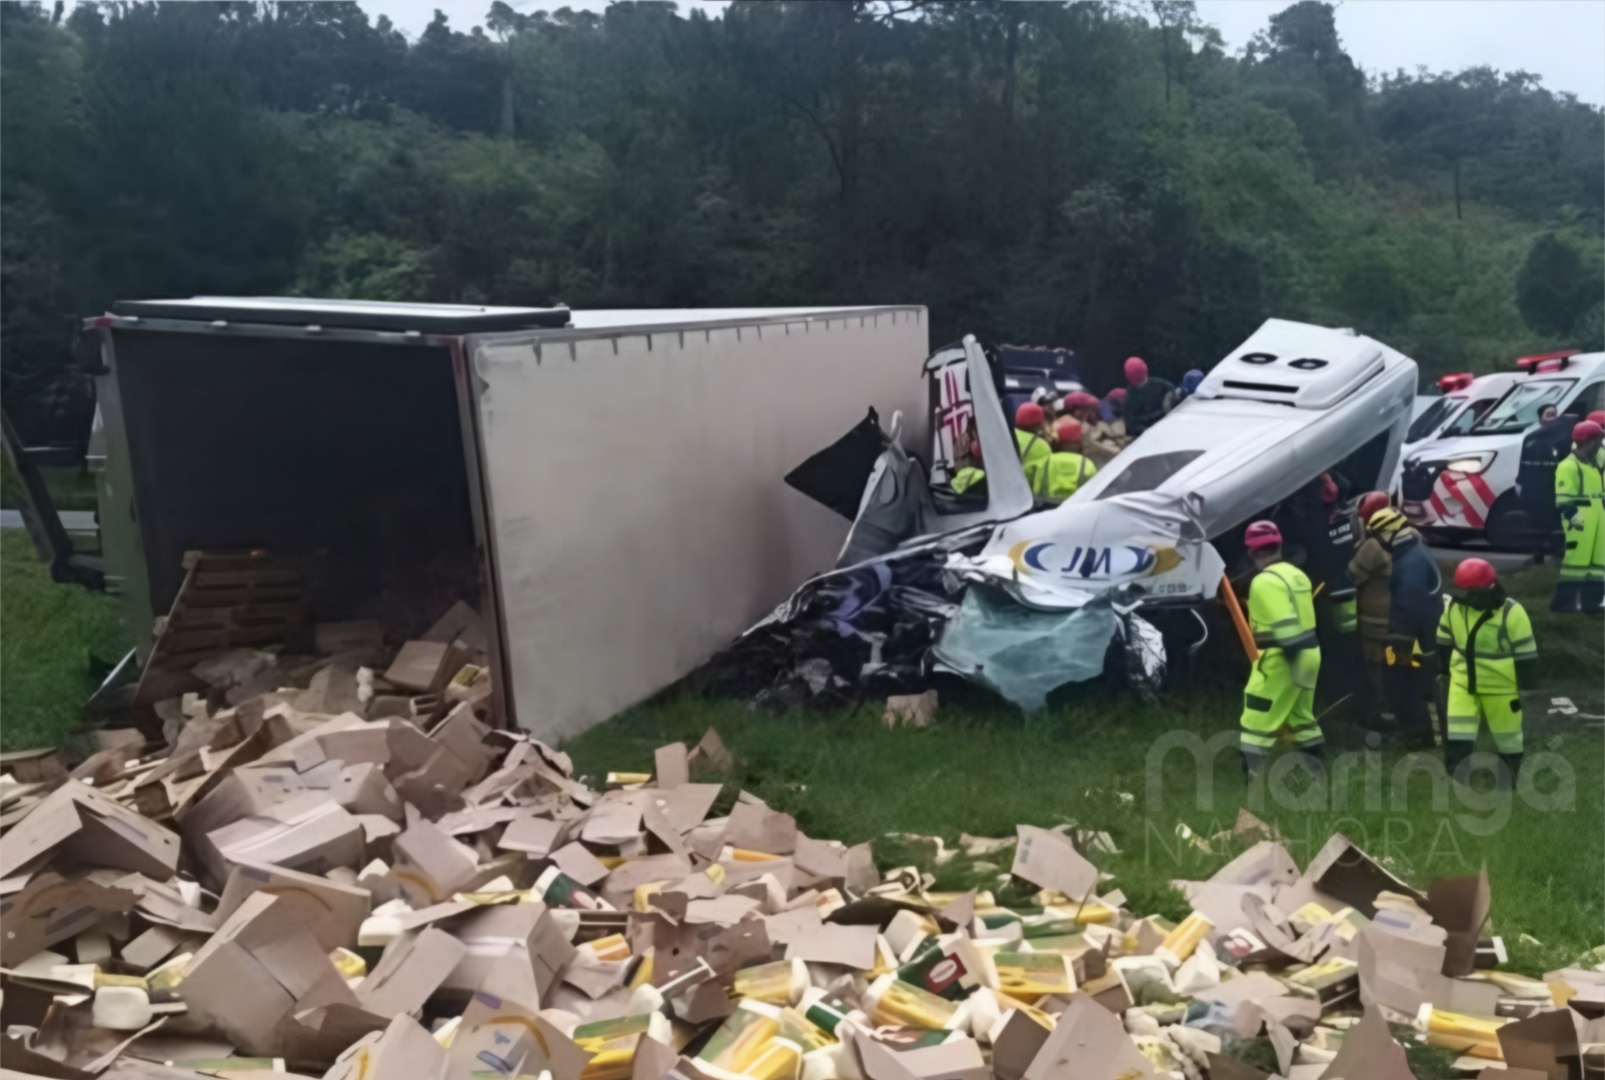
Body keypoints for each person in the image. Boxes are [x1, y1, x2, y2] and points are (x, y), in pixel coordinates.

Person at [1437, 557, 1538, 788]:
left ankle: (1507, 782)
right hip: (1463, 684)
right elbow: (1443, 639)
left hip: (1501, 689)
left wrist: (1529, 687)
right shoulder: (1453, 607)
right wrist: (1442, 670)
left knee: (1508, 737)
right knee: (1459, 732)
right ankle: (1457, 779)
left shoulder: (1512, 613)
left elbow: (1527, 655)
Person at [1237, 521, 1325, 775]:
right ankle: (1317, 766)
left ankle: (1250, 774)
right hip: (1311, 652)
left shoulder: (1263, 582)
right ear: (1280, 545)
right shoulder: (1297, 574)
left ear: (1251, 551)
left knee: (1257, 713)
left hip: (1282, 657)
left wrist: (1292, 659)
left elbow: (1285, 624)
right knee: (1301, 715)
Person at [1361, 507, 1445, 746]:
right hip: (1421, 635)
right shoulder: (1413, 550)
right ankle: (1419, 730)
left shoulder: (1410, 564)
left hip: (1410, 638)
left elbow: (1407, 607)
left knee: (1402, 683)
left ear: (1390, 534)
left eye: (1377, 537)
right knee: (1414, 683)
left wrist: (1396, 641)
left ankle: (1417, 734)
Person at [1552, 420, 1605, 613]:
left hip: (1599, 516)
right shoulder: (1568, 466)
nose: (1600, 444)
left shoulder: (1597, 461)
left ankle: (1592, 604)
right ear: (1589, 442)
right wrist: (1573, 518)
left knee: (1598, 562)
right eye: (1598, 440)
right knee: (1574, 562)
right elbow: (1563, 499)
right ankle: (1563, 604)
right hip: (1579, 518)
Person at [1035, 418, 1097, 502]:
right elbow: (1093, 496)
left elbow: (1037, 492)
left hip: (1049, 507)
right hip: (1078, 508)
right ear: (1080, 441)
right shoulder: (1088, 465)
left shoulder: (1044, 462)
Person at [1121, 356, 1176, 437]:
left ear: (1127, 376)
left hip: (1153, 437)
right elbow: (1176, 396)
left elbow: (1132, 427)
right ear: (1145, 369)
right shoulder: (1163, 386)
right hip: (1171, 427)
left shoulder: (1128, 402)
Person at [1014, 402, 1053, 495]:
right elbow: (1045, 477)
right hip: (1027, 494)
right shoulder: (1042, 446)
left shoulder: (1006, 436)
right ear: (1040, 424)